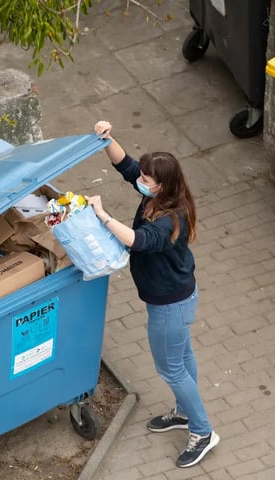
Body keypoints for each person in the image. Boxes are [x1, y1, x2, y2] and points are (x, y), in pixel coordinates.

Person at [87, 120, 219, 468]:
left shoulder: (170, 219)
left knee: (171, 368)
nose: (140, 182)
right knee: (182, 358)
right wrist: (107, 139)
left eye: (147, 181)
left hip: (169, 305)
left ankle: (202, 431)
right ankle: (183, 411)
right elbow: (126, 165)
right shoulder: (161, 195)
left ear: (163, 185)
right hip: (176, 298)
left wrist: (102, 216)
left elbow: (138, 241)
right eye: (143, 179)